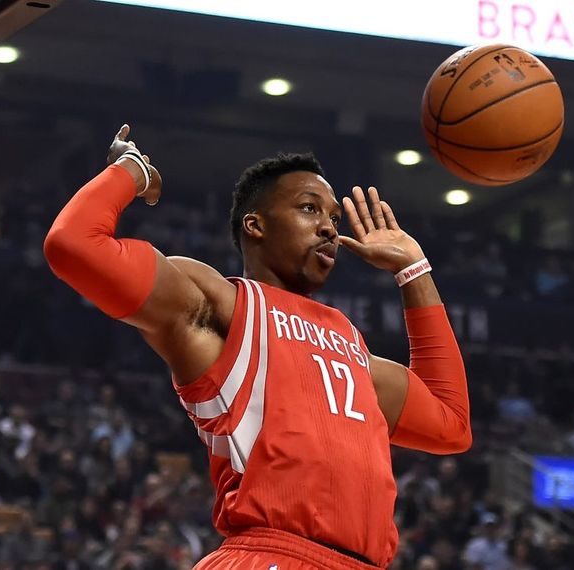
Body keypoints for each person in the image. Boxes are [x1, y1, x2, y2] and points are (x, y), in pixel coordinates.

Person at [44, 124, 471, 569]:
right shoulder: (219, 303)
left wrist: (415, 272)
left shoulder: (350, 346)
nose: (328, 227)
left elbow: (452, 423)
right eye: (309, 209)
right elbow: (74, 244)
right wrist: (130, 171)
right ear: (256, 225)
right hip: (269, 554)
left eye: (333, 219)